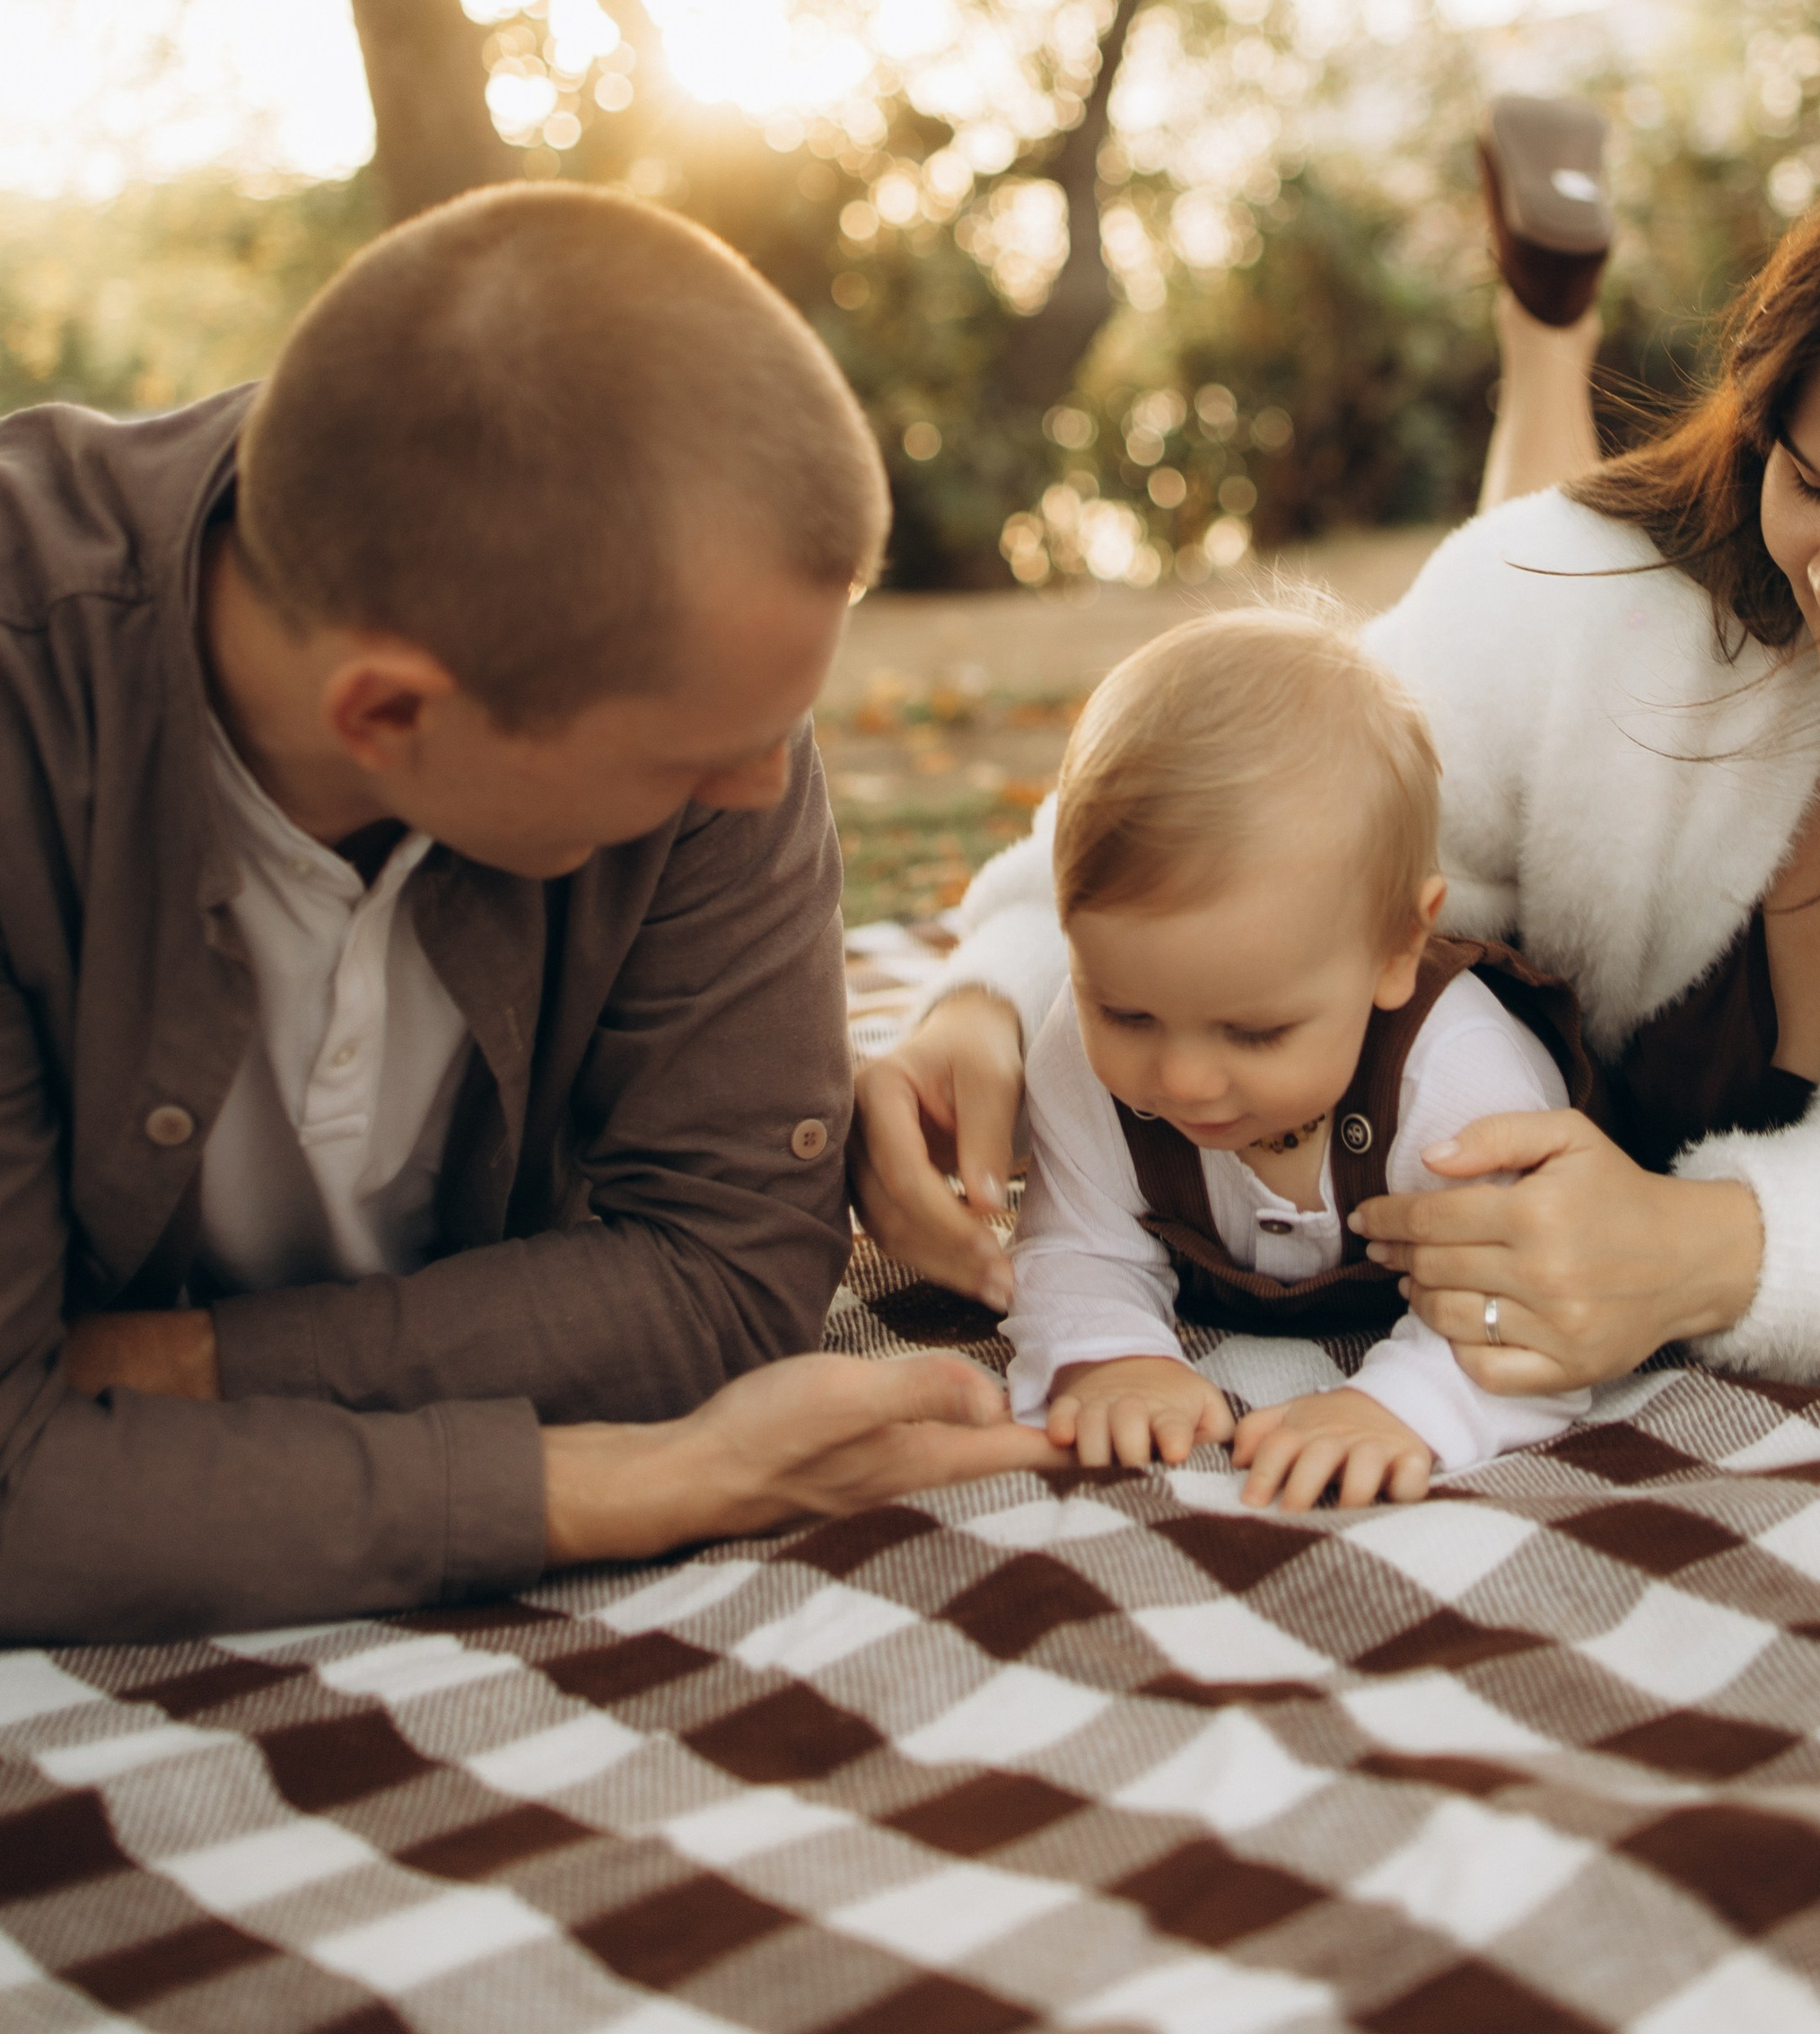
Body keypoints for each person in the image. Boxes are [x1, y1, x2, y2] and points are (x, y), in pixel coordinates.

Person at [854, 109, 1820, 1403]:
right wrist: (994, 997)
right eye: (1811, 477)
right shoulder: (1570, 596)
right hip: (1547, 592)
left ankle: (1551, 327)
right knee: (1523, 558)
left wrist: (1730, 1248)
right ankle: (1549, 333)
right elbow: (1242, 813)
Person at [5, 186, 1047, 1645]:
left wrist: (179, 1370)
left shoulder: (695, 668)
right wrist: (626, 1485)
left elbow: (728, 1275)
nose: (765, 791)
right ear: (387, 712)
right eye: (691, 760)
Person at [1006, 611, 1589, 1509]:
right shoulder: (1076, 1058)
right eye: (1125, 1011)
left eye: (1254, 1032)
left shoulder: (1460, 1082)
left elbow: (1535, 1296)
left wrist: (1407, 1406)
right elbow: (1076, 1246)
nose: (1183, 1079)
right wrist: (1108, 1354)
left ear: (1396, 947)